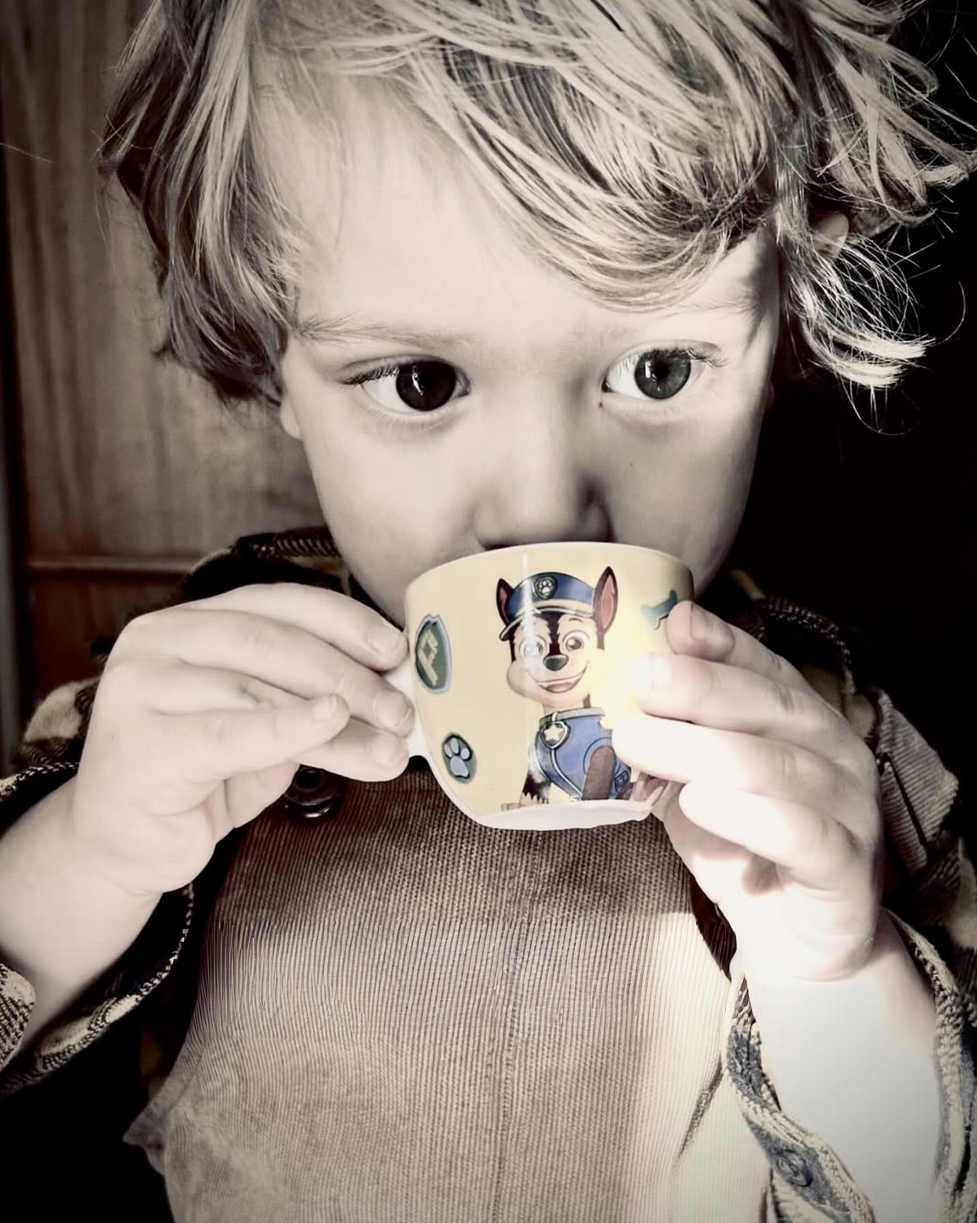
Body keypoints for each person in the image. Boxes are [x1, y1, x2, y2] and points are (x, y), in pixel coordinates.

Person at [0, 1, 974, 1220]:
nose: (541, 506)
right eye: (420, 380)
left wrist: (835, 971)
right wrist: (90, 850)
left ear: (778, 325)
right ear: (270, 357)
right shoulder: (187, 715)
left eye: (658, 369)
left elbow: (922, 1186)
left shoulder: (834, 752)